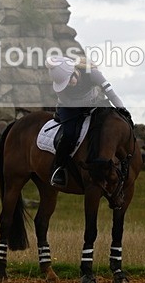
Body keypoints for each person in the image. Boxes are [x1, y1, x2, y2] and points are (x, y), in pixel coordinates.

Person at [45, 56, 132, 187]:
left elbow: (111, 93)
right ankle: (59, 167)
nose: (69, 84)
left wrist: (122, 109)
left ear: (74, 71)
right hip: (69, 108)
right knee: (69, 134)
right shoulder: (60, 87)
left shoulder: (92, 74)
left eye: (69, 80)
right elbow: (69, 103)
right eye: (66, 83)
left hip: (95, 102)